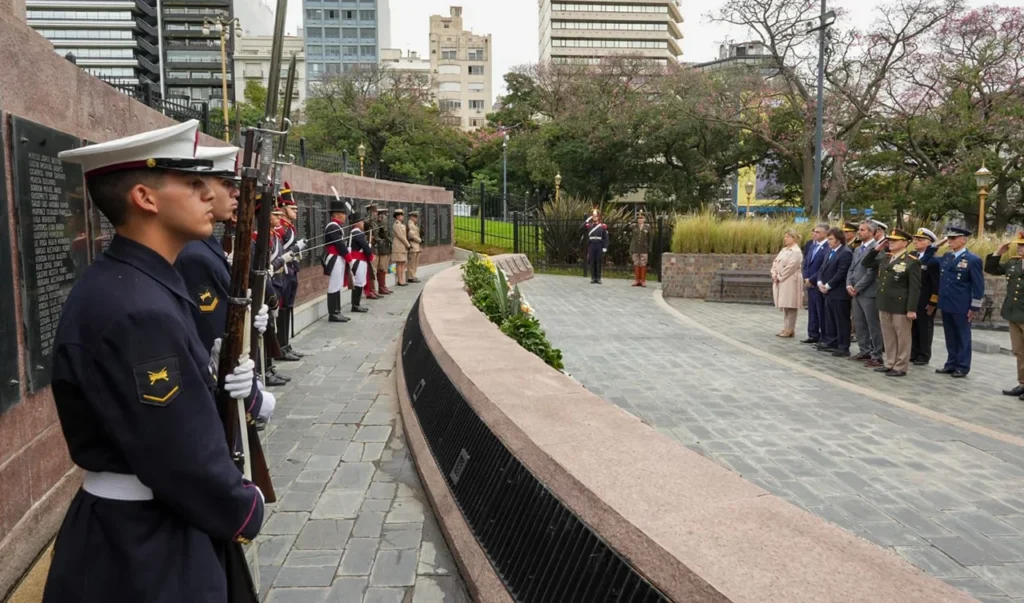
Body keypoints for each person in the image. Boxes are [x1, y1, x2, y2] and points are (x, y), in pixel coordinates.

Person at [46, 120, 264, 602]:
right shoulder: (138, 308)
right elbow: (181, 457)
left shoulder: (134, 283)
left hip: (140, 531)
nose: (209, 193)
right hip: (144, 548)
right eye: (190, 182)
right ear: (146, 198)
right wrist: (244, 508)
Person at [174, 145, 276, 427]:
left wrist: (248, 318)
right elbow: (216, 335)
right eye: (226, 183)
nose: (235, 193)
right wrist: (255, 399)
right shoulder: (194, 255)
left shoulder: (206, 245)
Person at [920, 226, 985, 377]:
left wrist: (974, 308)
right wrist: (937, 244)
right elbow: (925, 260)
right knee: (950, 335)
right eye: (949, 238)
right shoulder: (947, 257)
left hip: (962, 304)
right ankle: (951, 363)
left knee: (962, 336)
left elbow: (978, 286)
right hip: (946, 302)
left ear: (963, 240)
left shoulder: (972, 260)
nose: (950, 241)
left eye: (953, 238)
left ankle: (962, 366)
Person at [863, 229, 921, 377]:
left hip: (900, 305)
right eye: (889, 240)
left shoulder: (911, 261)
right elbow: (866, 262)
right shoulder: (886, 258)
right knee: (888, 335)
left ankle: (901, 366)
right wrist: (876, 249)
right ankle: (889, 363)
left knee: (902, 337)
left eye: (894, 240)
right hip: (884, 303)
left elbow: (915, 288)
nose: (890, 242)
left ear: (904, 243)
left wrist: (911, 309)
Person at [986, 232, 1024, 399]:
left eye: (1023, 245)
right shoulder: (1014, 263)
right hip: (1013, 313)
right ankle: (1022, 383)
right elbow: (992, 269)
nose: (1020, 248)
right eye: (1019, 245)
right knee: (1019, 351)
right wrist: (998, 253)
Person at [847, 221, 884, 367]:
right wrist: (849, 284)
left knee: (872, 324)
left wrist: (858, 287)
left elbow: (871, 272)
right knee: (859, 322)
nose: (859, 232)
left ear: (871, 232)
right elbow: (852, 268)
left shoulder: (877, 248)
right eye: (859, 230)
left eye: (862, 230)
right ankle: (864, 350)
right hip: (856, 291)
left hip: (868, 292)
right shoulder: (857, 249)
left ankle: (876, 354)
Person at [276, 182, 306, 359]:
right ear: (283, 207)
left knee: (288, 307)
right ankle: (280, 347)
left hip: (292, 270)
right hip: (283, 272)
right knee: (281, 308)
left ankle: (286, 345)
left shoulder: (289, 227)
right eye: (292, 207)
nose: (295, 210)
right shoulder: (280, 228)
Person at [816, 227, 854, 356]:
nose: (828, 241)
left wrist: (828, 285)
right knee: (830, 318)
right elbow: (822, 269)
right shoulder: (830, 251)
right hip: (828, 292)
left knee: (841, 320)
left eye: (831, 239)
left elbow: (841, 272)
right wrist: (820, 282)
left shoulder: (845, 253)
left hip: (839, 292)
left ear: (839, 240)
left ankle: (843, 346)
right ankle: (832, 341)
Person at [911, 228, 940, 365]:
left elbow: (936, 284)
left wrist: (933, 302)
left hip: (925, 299)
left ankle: (923, 354)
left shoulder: (933, 261)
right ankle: (913, 352)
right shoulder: (912, 255)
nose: (916, 242)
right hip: (912, 298)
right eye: (915, 239)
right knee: (913, 327)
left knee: (924, 328)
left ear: (929, 243)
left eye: (920, 240)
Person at [323, 200, 354, 321]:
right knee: (334, 285)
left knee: (338, 284)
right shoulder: (332, 226)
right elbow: (339, 245)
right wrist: (349, 259)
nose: (345, 216)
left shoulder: (336, 226)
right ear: (336, 214)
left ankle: (337, 311)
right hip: (334, 258)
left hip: (339, 259)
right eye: (343, 213)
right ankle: (333, 313)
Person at [771, 229, 804, 338]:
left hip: (790, 281)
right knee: (785, 305)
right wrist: (774, 273)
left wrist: (780, 276)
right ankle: (786, 328)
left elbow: (791, 267)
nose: (785, 239)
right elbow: (775, 262)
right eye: (785, 237)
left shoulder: (796, 251)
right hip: (782, 281)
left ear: (793, 238)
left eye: (787, 237)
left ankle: (790, 329)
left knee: (791, 305)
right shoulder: (784, 250)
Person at [801, 223, 829, 344]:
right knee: (812, 310)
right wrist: (806, 277)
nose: (815, 234)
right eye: (814, 232)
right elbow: (806, 263)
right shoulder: (812, 246)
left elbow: (823, 267)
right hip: (810, 283)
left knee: (820, 311)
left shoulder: (827, 247)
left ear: (825, 234)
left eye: (818, 232)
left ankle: (824, 336)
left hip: (819, 283)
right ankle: (813, 334)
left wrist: (812, 279)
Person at [347, 212, 375, 312]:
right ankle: (355, 305)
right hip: (358, 261)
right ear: (357, 223)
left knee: (359, 282)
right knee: (358, 282)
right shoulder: (357, 232)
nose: (363, 224)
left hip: (358, 260)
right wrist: (370, 255)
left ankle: (356, 304)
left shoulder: (355, 232)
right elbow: (365, 246)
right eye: (362, 222)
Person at [584, 209, 609, 284]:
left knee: (598, 261)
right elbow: (581, 227)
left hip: (599, 245)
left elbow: (605, 237)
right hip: (592, 245)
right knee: (592, 261)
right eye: (593, 216)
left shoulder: (602, 226)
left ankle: (598, 278)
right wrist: (587, 220)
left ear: (598, 217)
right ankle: (593, 278)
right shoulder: (589, 225)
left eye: (596, 216)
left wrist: (605, 247)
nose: (594, 217)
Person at [373, 206, 393, 295]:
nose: (385, 216)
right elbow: (382, 235)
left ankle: (383, 286)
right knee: (380, 268)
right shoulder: (378, 224)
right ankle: (379, 287)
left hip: (386, 247)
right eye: (383, 215)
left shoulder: (384, 224)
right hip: (381, 248)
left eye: (385, 215)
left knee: (384, 268)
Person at [362, 203, 381, 300]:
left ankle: (373, 289)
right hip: (370, 247)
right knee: (371, 270)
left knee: (374, 270)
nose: (376, 213)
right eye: (374, 211)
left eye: (376, 211)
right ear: (370, 212)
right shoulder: (366, 222)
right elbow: (363, 235)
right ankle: (370, 290)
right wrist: (370, 238)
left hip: (375, 247)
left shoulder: (374, 222)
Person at [630, 211, 653, 287]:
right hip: (635, 247)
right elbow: (626, 227)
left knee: (643, 263)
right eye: (638, 218)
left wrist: (649, 248)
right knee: (636, 263)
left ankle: (642, 280)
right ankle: (637, 280)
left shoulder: (647, 227)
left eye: (641, 218)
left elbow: (650, 238)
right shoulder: (634, 226)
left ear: (644, 219)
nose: (640, 220)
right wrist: (634, 219)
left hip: (644, 248)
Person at [391, 208, 410, 287]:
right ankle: (400, 280)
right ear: (397, 216)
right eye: (401, 215)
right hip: (398, 247)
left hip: (402, 247)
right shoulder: (396, 224)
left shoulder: (402, 224)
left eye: (402, 215)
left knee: (402, 263)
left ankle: (402, 279)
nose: (402, 217)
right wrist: (408, 244)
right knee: (399, 263)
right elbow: (401, 236)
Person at [407, 210, 422, 283]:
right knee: (412, 263)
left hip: (416, 246)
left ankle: (414, 275)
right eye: (415, 217)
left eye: (417, 217)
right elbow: (412, 235)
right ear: (411, 217)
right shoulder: (410, 225)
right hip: (413, 245)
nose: (416, 218)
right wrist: (419, 240)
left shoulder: (414, 224)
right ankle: (411, 276)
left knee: (415, 262)